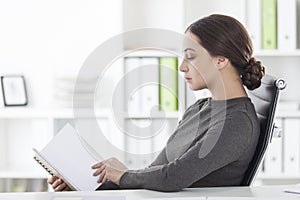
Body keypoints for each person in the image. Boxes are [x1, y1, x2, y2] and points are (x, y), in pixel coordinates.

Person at [48, 14, 265, 192]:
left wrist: (123, 176)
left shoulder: (237, 122)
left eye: (191, 56)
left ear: (221, 60)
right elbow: (157, 171)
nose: (182, 67)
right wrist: (86, 186)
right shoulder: (200, 109)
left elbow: (173, 177)